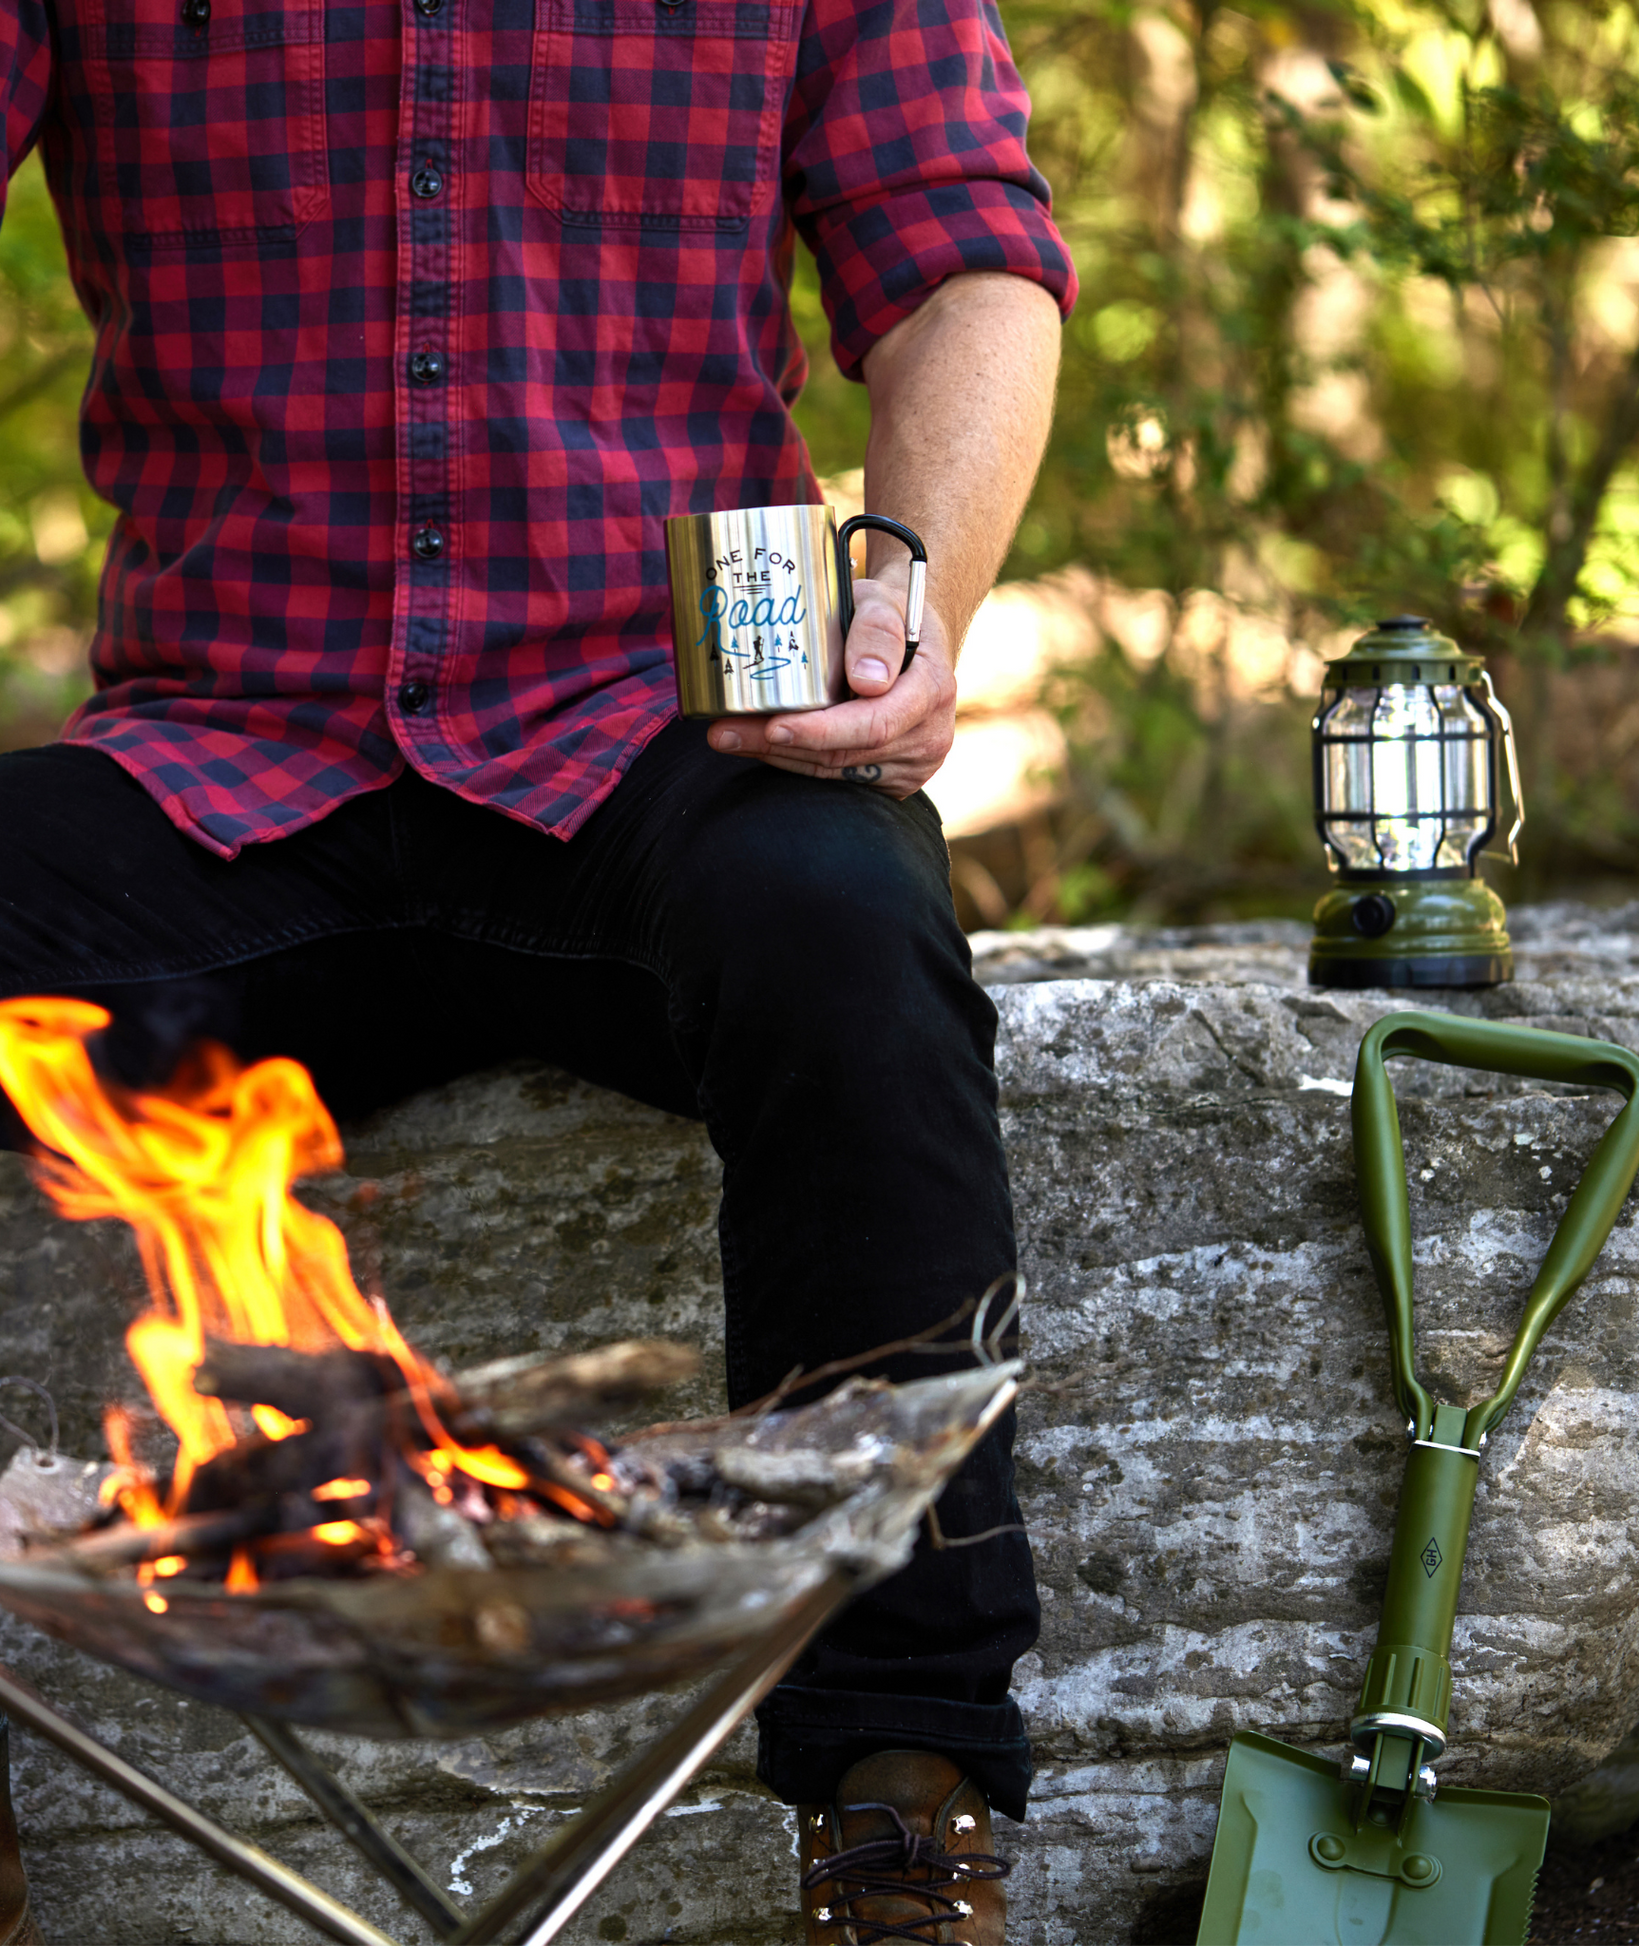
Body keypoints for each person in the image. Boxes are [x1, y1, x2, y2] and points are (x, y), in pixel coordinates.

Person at [0, 0, 1074, 1935]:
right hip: (224, 770)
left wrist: (915, 572)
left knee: (850, 929)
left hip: (657, 749)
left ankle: (903, 1799)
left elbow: (963, 263)